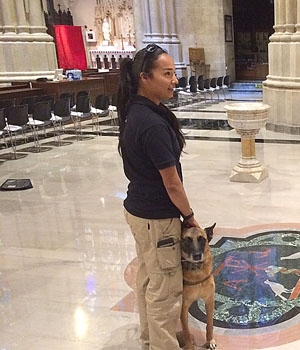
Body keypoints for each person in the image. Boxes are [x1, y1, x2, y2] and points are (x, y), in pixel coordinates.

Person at [117, 43, 200, 349]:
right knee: (165, 290)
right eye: (167, 74)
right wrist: (189, 216)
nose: (174, 80)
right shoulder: (151, 123)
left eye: (174, 74)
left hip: (139, 211)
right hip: (156, 217)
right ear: (144, 78)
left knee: (149, 279)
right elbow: (172, 182)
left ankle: (150, 338)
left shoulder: (137, 112)